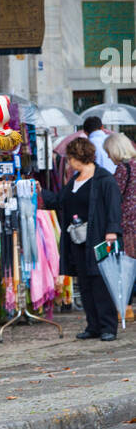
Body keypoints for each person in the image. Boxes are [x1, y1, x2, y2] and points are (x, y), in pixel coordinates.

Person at [41, 138, 122, 340]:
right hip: (77, 239)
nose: (68, 163)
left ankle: (107, 327)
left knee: (101, 282)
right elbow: (61, 201)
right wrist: (39, 192)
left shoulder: (104, 179)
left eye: (70, 159)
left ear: (78, 157)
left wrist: (112, 231)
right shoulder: (75, 180)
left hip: (99, 237)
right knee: (85, 282)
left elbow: (113, 207)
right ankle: (93, 325)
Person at [105, 132, 136, 258]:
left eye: (108, 152)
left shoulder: (123, 168)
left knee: (131, 262)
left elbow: (114, 195)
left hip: (129, 223)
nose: (108, 156)